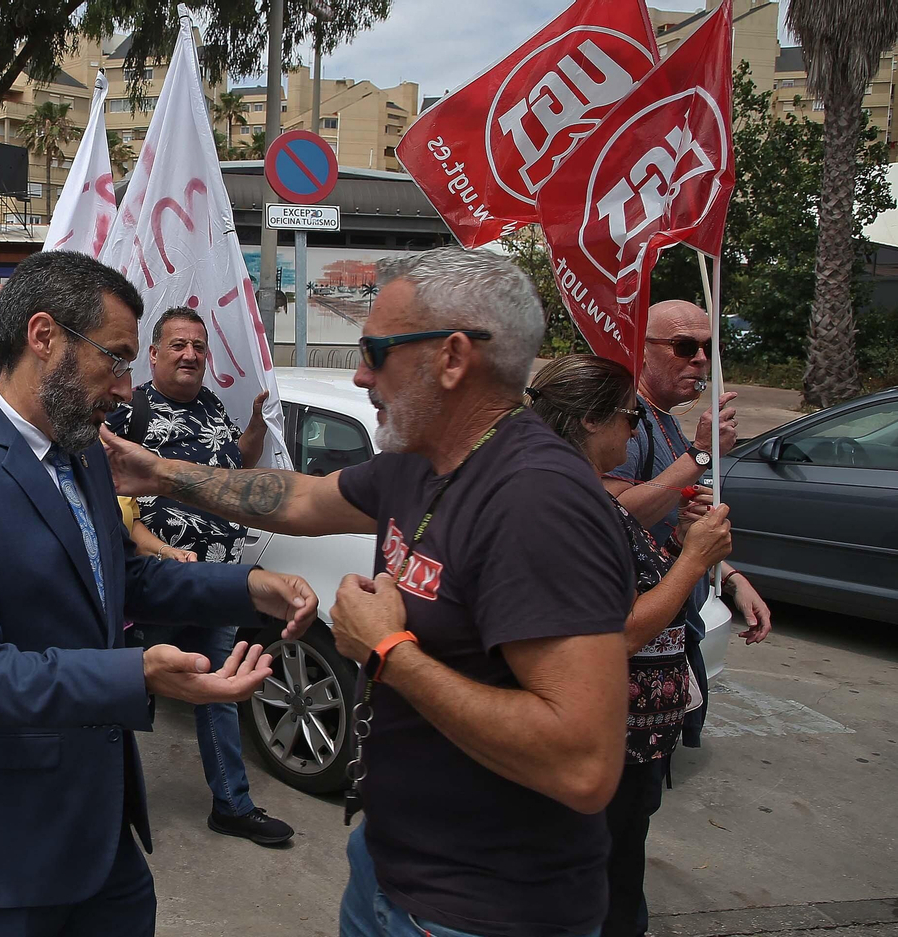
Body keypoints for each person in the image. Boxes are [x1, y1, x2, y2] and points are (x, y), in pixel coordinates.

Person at [103, 246, 635, 937]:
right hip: (390, 869)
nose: (360, 375)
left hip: (486, 910)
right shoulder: (418, 464)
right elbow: (299, 498)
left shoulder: (536, 500)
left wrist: (387, 651)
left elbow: (583, 763)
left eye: (376, 351)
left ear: (451, 357)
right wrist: (159, 473)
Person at [0, 250, 319, 937]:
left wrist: (245, 587)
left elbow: (120, 575)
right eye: (115, 358)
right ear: (44, 335)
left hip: (97, 834)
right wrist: (138, 671)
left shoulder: (86, 451)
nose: (125, 387)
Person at [527, 354, 735, 937]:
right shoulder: (575, 505)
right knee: (601, 891)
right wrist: (693, 562)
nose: (635, 431)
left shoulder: (580, 496)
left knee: (617, 874)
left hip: (628, 745)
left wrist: (687, 548)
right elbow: (614, 631)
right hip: (603, 745)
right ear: (592, 422)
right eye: (629, 418)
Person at [104, 306, 290, 846]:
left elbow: (237, 463)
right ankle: (107, 808)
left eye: (199, 348)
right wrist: (159, 549)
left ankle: (232, 804)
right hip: (152, 589)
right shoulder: (126, 412)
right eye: (179, 345)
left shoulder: (212, 407)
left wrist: (256, 421)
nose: (190, 355)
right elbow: (108, 501)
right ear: (154, 353)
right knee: (126, 694)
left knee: (220, 694)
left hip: (215, 584)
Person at [603, 299, 771, 648]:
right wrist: (700, 453)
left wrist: (731, 578)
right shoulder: (628, 422)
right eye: (683, 346)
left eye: (708, 347)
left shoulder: (668, 421)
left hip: (680, 623)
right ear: (642, 351)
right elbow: (613, 515)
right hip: (644, 633)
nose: (701, 359)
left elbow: (673, 528)